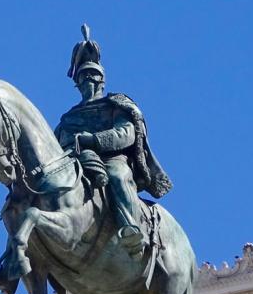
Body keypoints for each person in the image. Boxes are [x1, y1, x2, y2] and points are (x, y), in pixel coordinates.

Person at [54, 25, 173, 252]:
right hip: (75, 163)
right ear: (77, 83)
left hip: (112, 160)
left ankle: (131, 227)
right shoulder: (68, 118)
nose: (88, 79)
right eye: (84, 76)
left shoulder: (115, 104)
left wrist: (94, 140)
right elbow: (52, 147)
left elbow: (126, 134)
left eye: (93, 75)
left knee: (117, 176)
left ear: (102, 81)